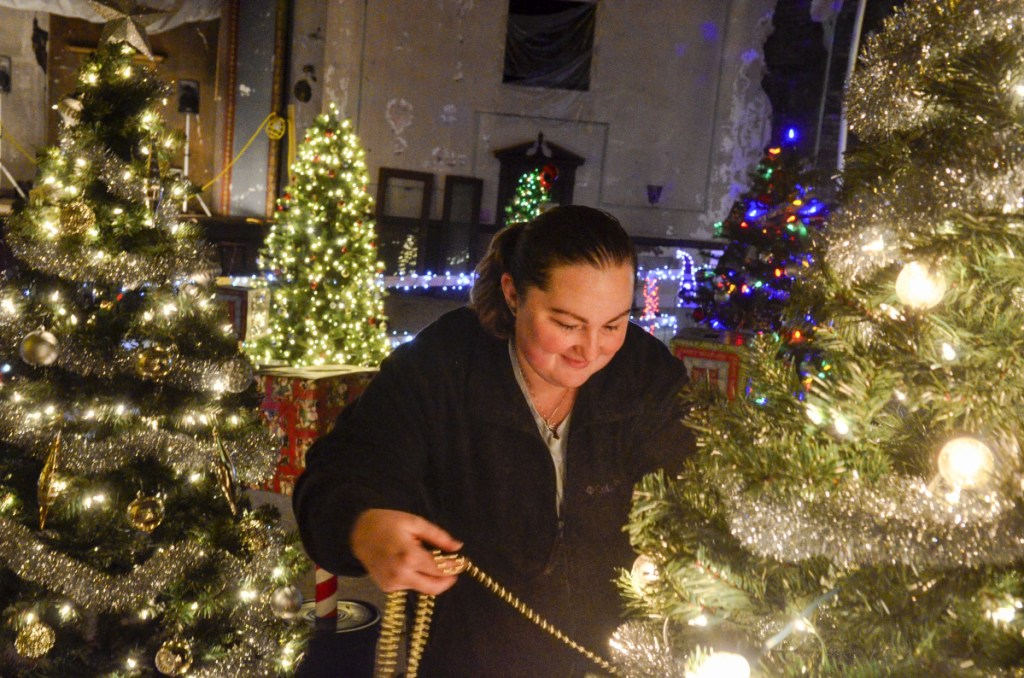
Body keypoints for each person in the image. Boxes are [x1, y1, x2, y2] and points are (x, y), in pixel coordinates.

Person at [293, 205, 696, 677]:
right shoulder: (439, 368)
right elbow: (336, 476)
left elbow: (695, 487)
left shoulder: (646, 374)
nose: (590, 350)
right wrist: (365, 526)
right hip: (470, 657)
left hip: (620, 661)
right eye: (566, 324)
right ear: (512, 293)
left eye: (613, 324)